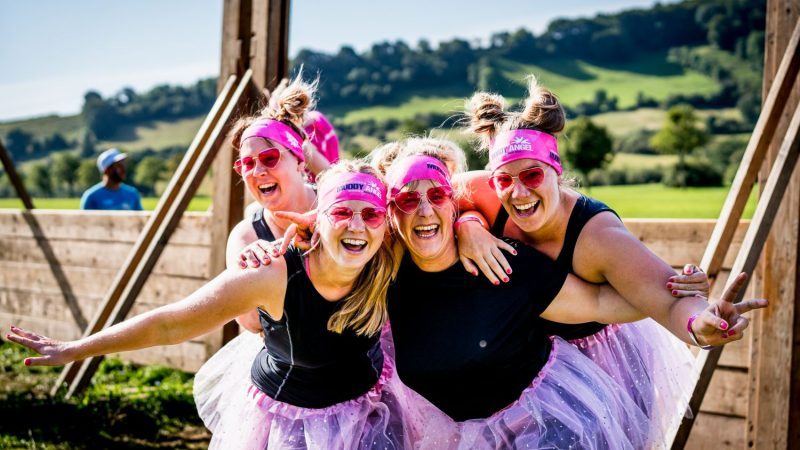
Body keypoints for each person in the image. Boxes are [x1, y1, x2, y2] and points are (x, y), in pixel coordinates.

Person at [376, 147, 764, 449]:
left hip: (552, 422)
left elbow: (600, 303)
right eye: (407, 200)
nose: (424, 210)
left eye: (437, 196)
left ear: (453, 202)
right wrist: (469, 222)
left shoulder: (511, 262)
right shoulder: (385, 278)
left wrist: (690, 310)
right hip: (464, 433)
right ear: (391, 212)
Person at [6, 162, 410, 449]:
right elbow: (170, 324)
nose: (357, 226)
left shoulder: (389, 259)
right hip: (291, 420)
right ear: (316, 219)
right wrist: (77, 348)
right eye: (341, 212)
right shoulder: (273, 275)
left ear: (385, 223)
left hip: (368, 408)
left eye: (371, 214)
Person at [452, 76, 717, 440]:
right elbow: (426, 205)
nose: (518, 191)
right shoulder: (480, 192)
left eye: (532, 175)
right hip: (530, 359)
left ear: (556, 170)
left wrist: (700, 325)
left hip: (604, 364)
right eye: (504, 180)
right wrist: (469, 224)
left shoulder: (597, 236)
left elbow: (669, 300)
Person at [303, 110, 339, 182]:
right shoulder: (317, 117)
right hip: (335, 174)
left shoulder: (308, 136)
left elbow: (329, 177)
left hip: (324, 184)